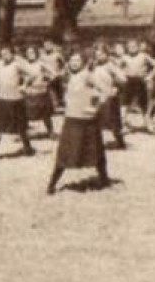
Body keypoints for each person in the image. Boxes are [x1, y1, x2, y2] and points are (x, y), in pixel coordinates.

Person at [47, 52, 112, 195]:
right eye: (71, 60)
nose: (74, 62)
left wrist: (94, 108)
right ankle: (51, 184)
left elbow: (106, 91)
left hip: (87, 121)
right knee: (64, 153)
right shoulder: (70, 76)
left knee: (96, 152)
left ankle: (105, 179)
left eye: (77, 60)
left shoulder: (88, 75)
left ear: (83, 62)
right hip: (71, 119)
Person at [0, 45, 36, 159]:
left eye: (7, 53)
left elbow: (33, 74)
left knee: (21, 127)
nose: (5, 56)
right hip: (3, 100)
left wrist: (24, 85)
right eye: (2, 54)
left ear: (13, 54)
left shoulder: (17, 64)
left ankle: (28, 149)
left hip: (16, 100)